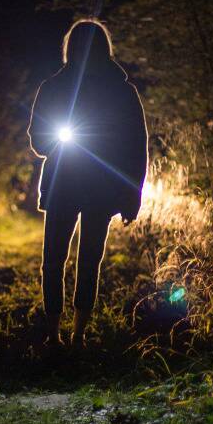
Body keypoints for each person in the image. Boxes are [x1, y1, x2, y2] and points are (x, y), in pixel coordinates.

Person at [27, 19, 148, 347]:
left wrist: (132, 195)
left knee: (71, 259)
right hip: (84, 186)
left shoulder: (60, 87)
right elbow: (40, 140)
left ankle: (70, 335)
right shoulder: (118, 91)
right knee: (65, 259)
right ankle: (62, 335)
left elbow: (136, 146)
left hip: (85, 187)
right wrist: (130, 194)